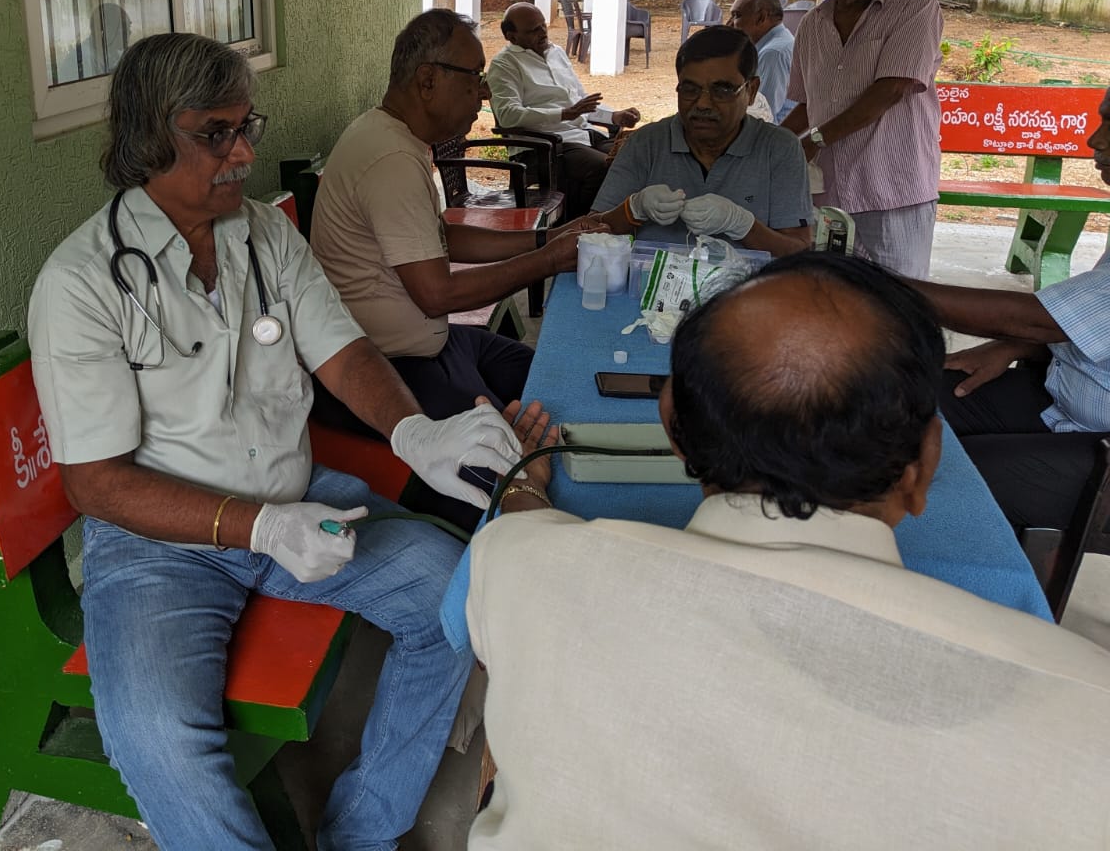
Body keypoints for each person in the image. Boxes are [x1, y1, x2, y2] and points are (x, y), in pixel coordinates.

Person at [28, 32, 529, 850]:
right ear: (149, 137)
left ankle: (359, 835)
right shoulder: (83, 284)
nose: (242, 152)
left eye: (245, 126)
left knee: (454, 604)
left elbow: (344, 351)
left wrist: (414, 432)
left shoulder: (264, 234)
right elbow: (96, 486)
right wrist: (257, 529)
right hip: (161, 544)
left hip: (300, 502)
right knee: (155, 740)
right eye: (214, 133)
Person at [466, 253, 1110, 849]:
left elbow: (519, 532)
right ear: (925, 468)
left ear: (674, 430)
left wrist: (524, 481)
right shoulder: (1084, 714)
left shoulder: (520, 567)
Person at [311, 9, 592, 445]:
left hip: (437, 345)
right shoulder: (391, 158)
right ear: (428, 81)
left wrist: (545, 238)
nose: (483, 92)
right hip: (397, 367)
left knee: (550, 382)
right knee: (526, 443)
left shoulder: (392, 136)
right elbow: (437, 294)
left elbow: (439, 235)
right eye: (474, 76)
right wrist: (548, 260)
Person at [913, 85, 1110, 536]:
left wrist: (876, 285)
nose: (1094, 141)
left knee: (943, 479)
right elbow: (1080, 325)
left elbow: (1036, 316)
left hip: (1100, 443)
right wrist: (1016, 345)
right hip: (1064, 394)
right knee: (896, 402)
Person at [781, 0, 944, 277]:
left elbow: (891, 90)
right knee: (833, 297)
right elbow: (808, 106)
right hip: (829, 197)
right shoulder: (812, 25)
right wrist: (771, 144)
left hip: (892, 193)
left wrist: (815, 140)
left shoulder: (914, 6)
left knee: (897, 304)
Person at [585, 26, 811, 256]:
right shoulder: (647, 144)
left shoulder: (779, 148)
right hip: (649, 286)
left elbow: (799, 251)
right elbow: (589, 233)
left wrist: (743, 225)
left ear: (751, 91)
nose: (703, 104)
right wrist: (633, 209)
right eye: (690, 89)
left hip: (749, 290)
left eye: (722, 90)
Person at [484, 1, 640, 216]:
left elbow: (580, 101)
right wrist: (564, 114)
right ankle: (577, 227)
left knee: (630, 159)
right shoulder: (504, 65)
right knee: (603, 169)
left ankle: (613, 226)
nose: (542, 33)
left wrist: (614, 116)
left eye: (543, 26)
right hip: (543, 145)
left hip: (582, 134)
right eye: (533, 30)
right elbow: (509, 115)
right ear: (511, 36)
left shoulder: (556, 52)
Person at [729, 0, 796, 120]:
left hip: (774, 134)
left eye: (737, 16)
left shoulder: (772, 54)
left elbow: (762, 114)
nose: (730, 24)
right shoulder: (781, 41)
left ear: (761, 17)